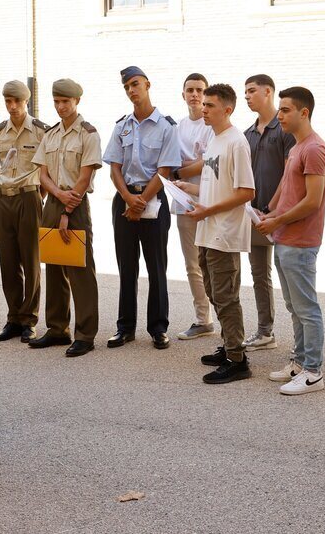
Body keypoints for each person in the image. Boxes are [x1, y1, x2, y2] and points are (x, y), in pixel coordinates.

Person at [173, 84, 255, 383]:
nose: (203, 109)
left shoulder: (236, 142)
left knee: (226, 295)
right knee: (213, 292)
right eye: (203, 104)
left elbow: (246, 191)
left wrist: (207, 211)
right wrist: (188, 189)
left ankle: (237, 359)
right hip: (207, 229)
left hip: (224, 231)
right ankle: (228, 344)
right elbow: (213, 186)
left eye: (209, 105)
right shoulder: (214, 141)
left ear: (227, 109)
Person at [258, 86, 325, 395]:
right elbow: (285, 188)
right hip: (284, 237)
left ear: (304, 112)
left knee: (306, 307)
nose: (279, 115)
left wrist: (276, 219)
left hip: (300, 240)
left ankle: (313, 372)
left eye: (286, 110)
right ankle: (300, 362)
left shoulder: (314, 149)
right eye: (279, 109)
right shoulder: (297, 147)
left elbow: (312, 201)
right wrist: (268, 212)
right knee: (294, 305)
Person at [103, 66, 182, 350]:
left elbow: (164, 170)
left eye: (135, 84)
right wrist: (128, 198)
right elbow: (114, 167)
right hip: (125, 201)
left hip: (154, 201)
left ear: (148, 84)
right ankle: (125, 327)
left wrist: (142, 201)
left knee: (156, 266)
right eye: (127, 87)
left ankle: (158, 328)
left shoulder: (166, 126)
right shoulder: (121, 126)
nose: (131, 90)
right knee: (126, 266)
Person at [30, 79, 103, 356]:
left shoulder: (88, 134)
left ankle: (85, 334)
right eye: (57, 102)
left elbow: (85, 178)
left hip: (76, 203)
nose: (61, 107)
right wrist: (57, 198)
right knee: (54, 266)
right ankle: (57, 328)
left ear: (77, 102)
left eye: (66, 102)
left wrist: (67, 209)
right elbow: (42, 174)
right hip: (54, 201)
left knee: (81, 271)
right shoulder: (50, 134)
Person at [0, 80, 47, 343]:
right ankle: (13, 317)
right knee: (7, 261)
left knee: (31, 260)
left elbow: (47, 171)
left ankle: (29, 319)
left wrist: (35, 197)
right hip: (3, 200)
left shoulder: (40, 131)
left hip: (29, 197)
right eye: (8, 101)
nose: (12, 107)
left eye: (16, 101)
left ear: (26, 101)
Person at [242, 74, 295, 351]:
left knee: (287, 273)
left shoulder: (285, 129)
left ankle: (301, 340)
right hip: (254, 214)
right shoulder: (247, 134)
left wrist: (272, 208)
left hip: (281, 214)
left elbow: (289, 174)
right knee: (259, 274)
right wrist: (253, 209)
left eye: (252, 91)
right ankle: (265, 332)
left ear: (268, 92)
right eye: (245, 92)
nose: (247, 96)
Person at [171, 73, 215, 340]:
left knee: (212, 262)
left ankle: (224, 317)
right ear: (183, 94)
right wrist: (187, 167)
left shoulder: (211, 126)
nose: (195, 95)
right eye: (190, 90)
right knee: (192, 263)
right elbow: (171, 160)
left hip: (208, 201)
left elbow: (208, 161)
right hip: (183, 202)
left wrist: (183, 169)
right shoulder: (178, 127)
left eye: (200, 90)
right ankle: (203, 319)